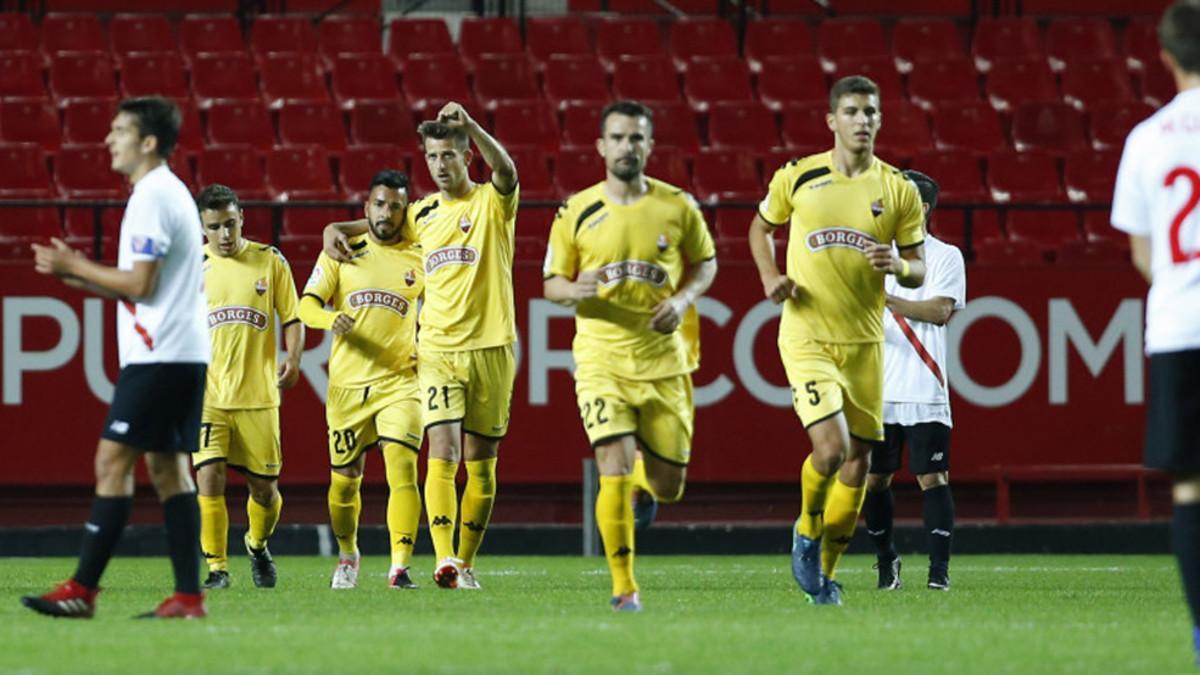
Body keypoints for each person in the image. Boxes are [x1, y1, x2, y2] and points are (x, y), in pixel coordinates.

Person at [22, 97, 210, 618]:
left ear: (148, 141)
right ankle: (188, 597)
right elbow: (142, 288)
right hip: (178, 351)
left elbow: (141, 285)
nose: (109, 139)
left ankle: (83, 589)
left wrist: (78, 263)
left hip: (162, 354)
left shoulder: (152, 195)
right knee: (170, 470)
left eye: (120, 130)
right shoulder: (165, 192)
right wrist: (76, 275)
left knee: (112, 460)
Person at [747, 75, 927, 605]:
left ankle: (822, 576)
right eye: (852, 111)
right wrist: (768, 277)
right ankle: (806, 529)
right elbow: (760, 229)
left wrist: (897, 264)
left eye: (871, 112)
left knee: (861, 464)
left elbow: (917, 268)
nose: (863, 120)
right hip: (807, 333)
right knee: (831, 449)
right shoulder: (799, 177)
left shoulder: (898, 189)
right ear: (832, 120)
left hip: (865, 341)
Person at [324, 102, 518, 590]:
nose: (439, 164)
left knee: (483, 462)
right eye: (432, 156)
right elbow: (379, 226)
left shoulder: (492, 202)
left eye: (449, 154)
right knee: (444, 450)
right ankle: (446, 558)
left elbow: (508, 170)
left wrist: (471, 125)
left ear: (466, 157)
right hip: (435, 350)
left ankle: (467, 562)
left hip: (492, 346)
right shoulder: (422, 212)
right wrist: (336, 228)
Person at [543, 100, 717, 612]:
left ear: (649, 145)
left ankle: (646, 481)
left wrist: (682, 300)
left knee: (670, 485)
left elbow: (705, 264)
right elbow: (550, 284)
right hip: (602, 360)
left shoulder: (677, 206)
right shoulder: (576, 211)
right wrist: (575, 289)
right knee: (610, 464)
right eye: (617, 138)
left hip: (665, 362)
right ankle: (624, 588)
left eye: (636, 138)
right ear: (601, 146)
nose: (626, 147)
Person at [1111, 0, 1200, 664]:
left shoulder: (1147, 138)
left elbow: (1143, 253)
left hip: (1178, 327)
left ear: (1165, 57)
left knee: (1191, 486)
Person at [300, 170, 425, 590]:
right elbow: (306, 306)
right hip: (348, 388)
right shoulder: (342, 249)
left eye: (395, 205)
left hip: (400, 382)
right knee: (344, 483)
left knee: (403, 469)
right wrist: (332, 318)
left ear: (404, 211)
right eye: (379, 203)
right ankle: (348, 553)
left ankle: (400, 565)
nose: (386, 213)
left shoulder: (420, 252)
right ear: (366, 206)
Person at [192, 184, 304, 590]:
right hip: (209, 396)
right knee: (209, 475)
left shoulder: (269, 261)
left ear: (243, 219)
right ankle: (217, 568)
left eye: (230, 224)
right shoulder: (191, 265)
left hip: (258, 397)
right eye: (214, 227)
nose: (224, 235)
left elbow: (292, 316)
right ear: (202, 228)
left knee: (265, 491)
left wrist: (293, 357)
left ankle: (257, 545)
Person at [860, 170, 965, 592]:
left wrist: (884, 297)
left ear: (919, 208)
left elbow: (940, 311)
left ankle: (938, 572)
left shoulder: (944, 256)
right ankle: (887, 562)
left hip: (923, 385)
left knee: (932, 478)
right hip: (876, 389)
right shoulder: (868, 254)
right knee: (874, 479)